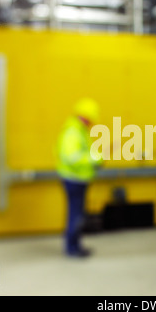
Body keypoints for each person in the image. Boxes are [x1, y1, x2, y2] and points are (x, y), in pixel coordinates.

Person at [56, 98, 102, 258]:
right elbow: (72, 157)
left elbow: (83, 153)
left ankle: (75, 245)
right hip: (74, 180)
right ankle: (72, 248)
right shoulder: (73, 132)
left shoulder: (78, 130)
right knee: (75, 215)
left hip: (79, 179)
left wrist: (95, 159)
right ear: (86, 116)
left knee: (77, 214)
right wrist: (95, 159)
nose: (91, 122)